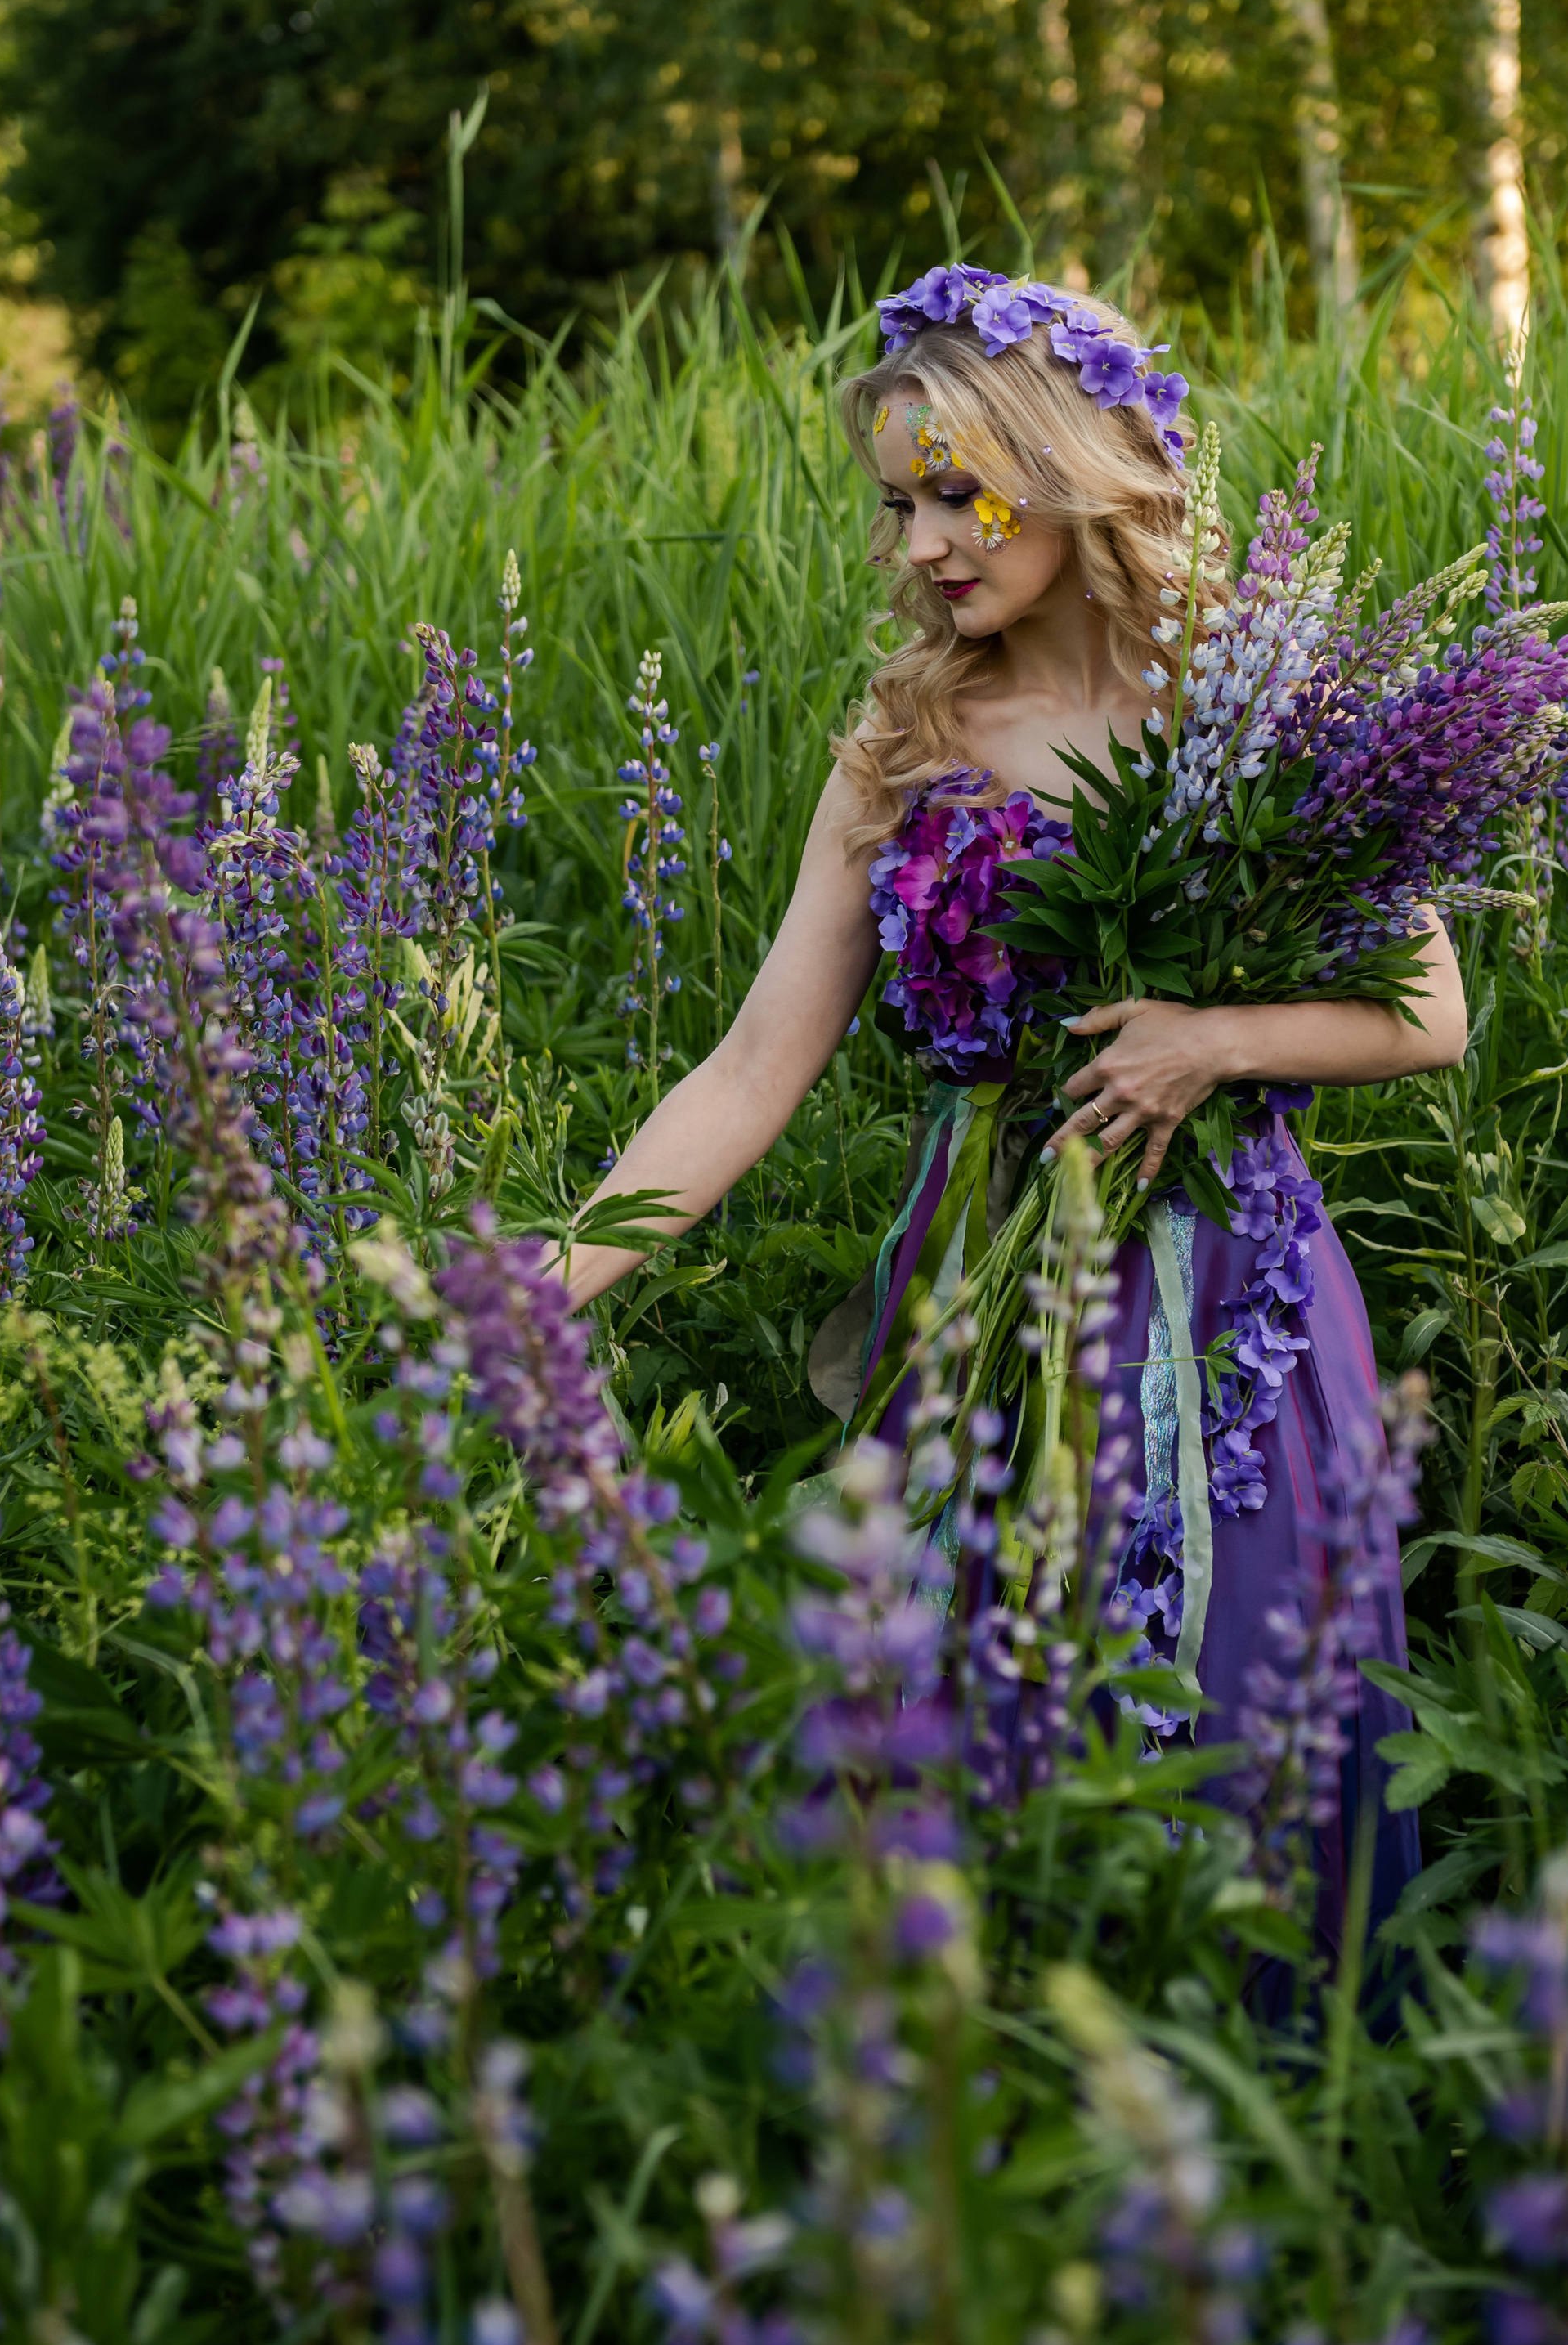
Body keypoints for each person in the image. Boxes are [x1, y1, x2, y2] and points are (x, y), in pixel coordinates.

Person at [557, 269, 1468, 1948]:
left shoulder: (1245, 707)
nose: (918, 543)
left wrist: (1210, 1039)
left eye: (954, 492)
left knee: (1233, 1708)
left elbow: (1426, 1015)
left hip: (1219, 1290)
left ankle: (1262, 2146)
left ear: (1064, 471)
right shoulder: (898, 745)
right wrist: (537, 1293)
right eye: (895, 502)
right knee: (948, 1716)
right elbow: (753, 1068)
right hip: (972, 1292)